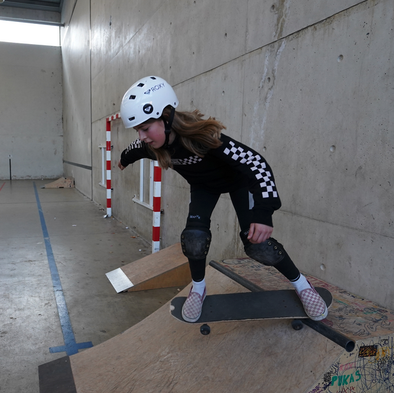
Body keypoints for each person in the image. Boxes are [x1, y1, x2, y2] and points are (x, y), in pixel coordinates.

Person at [116, 76, 328, 322]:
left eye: (145, 128)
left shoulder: (203, 139)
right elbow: (133, 149)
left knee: (258, 245)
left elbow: (255, 163)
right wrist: (123, 159)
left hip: (240, 183)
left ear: (167, 118)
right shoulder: (151, 144)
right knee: (194, 238)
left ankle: (302, 285)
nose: (141, 136)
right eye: (137, 130)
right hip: (204, 187)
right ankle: (198, 288)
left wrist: (263, 212)